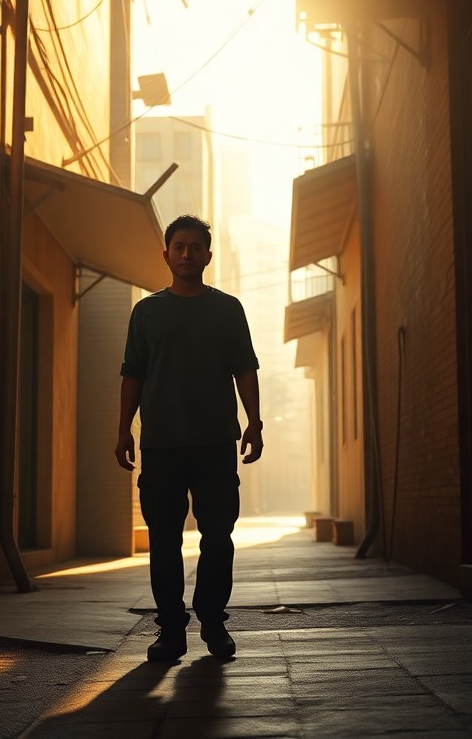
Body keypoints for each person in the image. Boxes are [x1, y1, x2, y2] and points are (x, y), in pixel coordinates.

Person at [115, 214, 263, 662]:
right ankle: (171, 631)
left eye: (195, 247)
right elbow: (132, 374)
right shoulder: (147, 312)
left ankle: (214, 624)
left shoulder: (227, 308)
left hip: (216, 442)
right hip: (161, 444)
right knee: (164, 539)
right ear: (166, 254)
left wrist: (254, 422)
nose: (186, 254)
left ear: (207, 256)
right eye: (178, 247)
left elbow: (245, 368)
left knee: (218, 536)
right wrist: (123, 428)